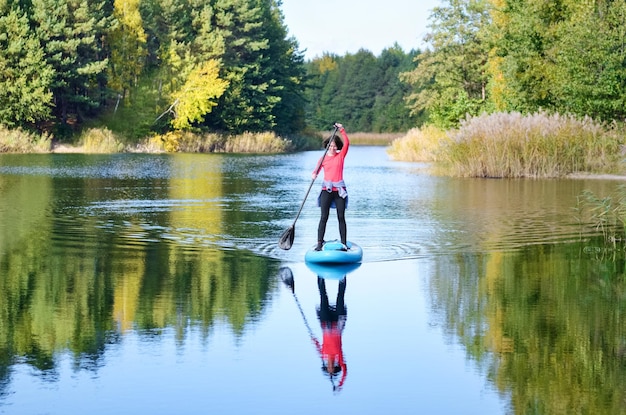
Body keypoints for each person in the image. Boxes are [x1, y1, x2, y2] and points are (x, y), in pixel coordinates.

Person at [312, 123, 350, 251]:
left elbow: (347, 143)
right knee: (324, 217)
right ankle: (319, 243)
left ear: (337, 147)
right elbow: (316, 170)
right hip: (326, 190)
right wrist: (314, 174)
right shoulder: (323, 158)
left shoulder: (341, 156)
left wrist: (342, 130)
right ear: (327, 146)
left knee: (341, 217)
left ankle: (344, 243)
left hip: (339, 191)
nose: (332, 148)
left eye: (334, 146)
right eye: (330, 145)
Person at [311, 276, 348, 392]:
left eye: (328, 368)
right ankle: (343, 275)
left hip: (326, 324)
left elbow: (317, 346)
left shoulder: (323, 355)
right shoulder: (339, 357)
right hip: (338, 324)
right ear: (336, 366)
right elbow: (345, 370)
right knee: (340, 296)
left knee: (323, 296)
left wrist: (314, 340)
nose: (330, 366)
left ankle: (320, 275)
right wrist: (340, 384)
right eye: (332, 368)